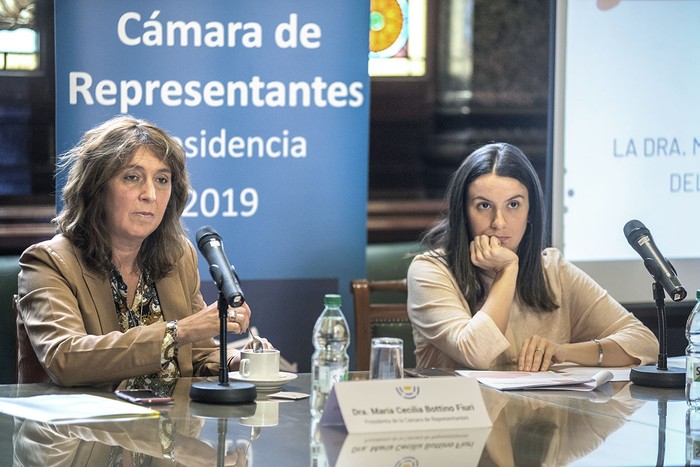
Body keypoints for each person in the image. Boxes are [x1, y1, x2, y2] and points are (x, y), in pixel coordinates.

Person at [17, 114, 270, 391]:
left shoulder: (177, 256)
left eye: (162, 180)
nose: (150, 193)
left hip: (170, 429)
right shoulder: (49, 262)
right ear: (96, 188)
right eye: (132, 177)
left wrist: (238, 361)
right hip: (84, 431)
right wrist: (180, 330)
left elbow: (195, 356)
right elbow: (65, 359)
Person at [407, 142, 658, 371]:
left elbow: (644, 343)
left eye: (513, 205)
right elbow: (479, 354)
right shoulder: (430, 271)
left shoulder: (553, 271)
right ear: (463, 212)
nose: (499, 222)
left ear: (530, 212)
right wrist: (507, 270)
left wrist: (564, 352)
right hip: (464, 418)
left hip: (541, 418)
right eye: (484, 206)